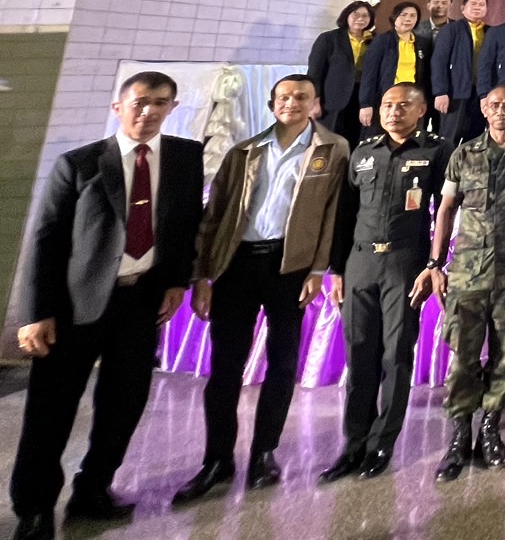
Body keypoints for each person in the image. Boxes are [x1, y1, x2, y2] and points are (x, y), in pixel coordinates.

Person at [10, 72, 204, 540]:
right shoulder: (79, 163)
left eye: (160, 103)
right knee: (51, 411)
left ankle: (93, 489)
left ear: (172, 108)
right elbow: (46, 239)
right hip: (75, 307)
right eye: (140, 102)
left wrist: (177, 281)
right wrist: (35, 313)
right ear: (118, 107)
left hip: (141, 302)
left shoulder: (184, 158)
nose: (148, 111)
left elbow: (184, 225)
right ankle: (34, 508)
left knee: (124, 405)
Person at [175, 75, 348, 504]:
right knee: (225, 367)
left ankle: (263, 454)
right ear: (273, 105)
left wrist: (318, 270)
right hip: (236, 265)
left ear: (315, 104)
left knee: (282, 364)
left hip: (290, 268)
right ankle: (217, 459)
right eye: (284, 97)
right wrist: (202, 275)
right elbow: (214, 215)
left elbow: (332, 215)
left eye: (301, 97)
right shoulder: (244, 151)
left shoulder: (333, 149)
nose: (292, 103)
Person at [319, 84, 449, 484]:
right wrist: (335, 270)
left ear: (422, 110)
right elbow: (344, 214)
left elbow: (445, 209)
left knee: (396, 355)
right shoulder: (363, 152)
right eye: (388, 105)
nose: (393, 112)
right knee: (359, 354)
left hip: (404, 261)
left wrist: (434, 264)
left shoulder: (435, 151)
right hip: (359, 262)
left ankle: (381, 444)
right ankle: (353, 443)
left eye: (403, 105)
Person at [415, 86, 505, 482]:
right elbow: (446, 209)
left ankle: (490, 427)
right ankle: (459, 435)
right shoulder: (464, 154)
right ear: (484, 110)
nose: (501, 111)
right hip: (467, 274)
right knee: (464, 358)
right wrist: (435, 263)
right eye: (494, 106)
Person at [307, 0, 373, 146]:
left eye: (365, 15)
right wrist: (314, 101)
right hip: (331, 100)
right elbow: (315, 73)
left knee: (351, 142)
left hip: (360, 101)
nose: (360, 19)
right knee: (325, 142)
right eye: (355, 14)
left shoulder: (373, 40)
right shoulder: (329, 38)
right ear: (346, 15)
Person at [360, 1, 432, 134]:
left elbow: (426, 76)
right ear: (394, 17)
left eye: (413, 15)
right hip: (386, 98)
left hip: (411, 99)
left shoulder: (422, 43)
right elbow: (369, 75)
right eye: (403, 15)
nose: (408, 19)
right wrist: (366, 104)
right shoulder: (382, 40)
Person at [432, 0, 491, 144]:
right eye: (473, 4)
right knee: (449, 138)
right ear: (463, 8)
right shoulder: (451, 30)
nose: (477, 7)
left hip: (481, 94)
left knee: (475, 138)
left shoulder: (490, 32)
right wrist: (440, 92)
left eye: (481, 4)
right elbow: (439, 62)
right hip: (455, 92)